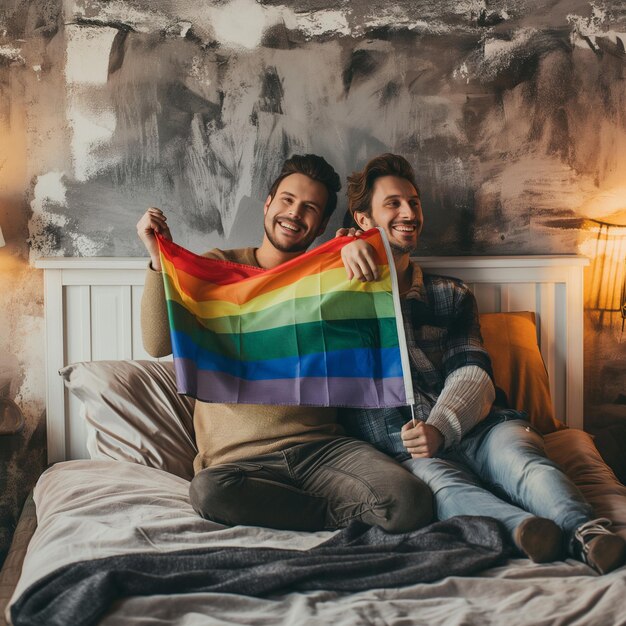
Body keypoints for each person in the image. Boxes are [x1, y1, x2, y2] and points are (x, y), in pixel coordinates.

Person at [337, 152, 626, 574]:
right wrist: (339, 251)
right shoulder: (341, 299)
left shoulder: (451, 294)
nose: (409, 213)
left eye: (414, 202)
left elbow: (474, 372)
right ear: (363, 219)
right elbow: (294, 291)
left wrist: (441, 427)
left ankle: (588, 533)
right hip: (407, 448)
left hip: (481, 425)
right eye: (393, 204)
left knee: (524, 461)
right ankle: (526, 531)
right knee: (444, 489)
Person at [136, 153, 433, 534]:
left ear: (322, 223)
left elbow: (375, 309)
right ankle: (338, 516)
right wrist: (158, 259)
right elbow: (157, 343)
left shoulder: (332, 274)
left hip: (324, 452)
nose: (295, 213)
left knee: (412, 501)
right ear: (268, 203)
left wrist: (355, 242)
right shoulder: (216, 268)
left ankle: (314, 517)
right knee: (208, 493)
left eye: (310, 208)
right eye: (288, 200)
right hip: (239, 466)